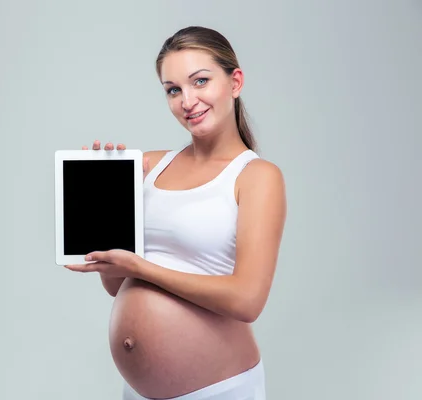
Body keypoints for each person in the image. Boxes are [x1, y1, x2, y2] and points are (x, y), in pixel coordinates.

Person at [65, 26, 287, 400]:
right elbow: (118, 285)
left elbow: (248, 301)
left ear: (235, 82)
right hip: (137, 392)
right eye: (173, 89)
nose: (188, 100)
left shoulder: (256, 176)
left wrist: (141, 267)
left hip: (218, 390)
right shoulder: (149, 166)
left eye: (200, 81)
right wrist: (104, 213)